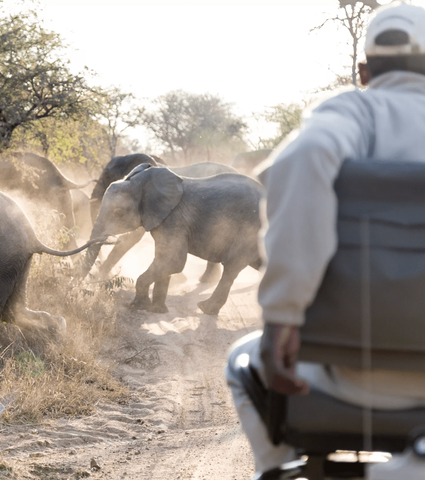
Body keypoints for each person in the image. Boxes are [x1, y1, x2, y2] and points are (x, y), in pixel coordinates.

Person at [225, 1, 425, 475]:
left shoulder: (356, 110)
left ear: (363, 71)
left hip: (349, 379)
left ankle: (278, 467)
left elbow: (306, 155)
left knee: (240, 360)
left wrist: (282, 317)